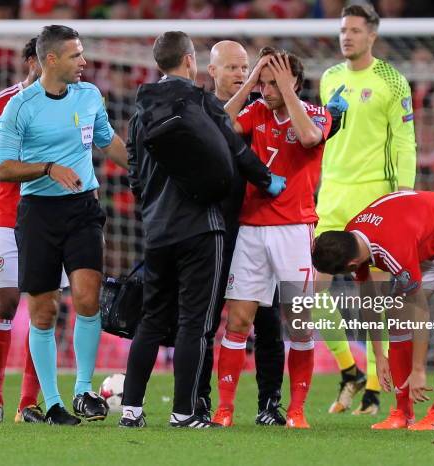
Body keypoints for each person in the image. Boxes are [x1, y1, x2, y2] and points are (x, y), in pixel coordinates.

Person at [121, 31, 284, 429]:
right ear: (192, 62)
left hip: (157, 229)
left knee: (153, 321)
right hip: (202, 228)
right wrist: (267, 181)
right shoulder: (200, 103)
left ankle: (131, 411)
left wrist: (151, 205)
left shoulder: (140, 108)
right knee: (196, 322)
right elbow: (236, 150)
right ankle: (185, 412)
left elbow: (134, 171)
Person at [0, 25, 128, 425]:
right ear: (51, 60)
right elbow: (2, 167)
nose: (84, 62)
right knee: (44, 311)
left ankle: (83, 390)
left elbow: (108, 141)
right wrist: (48, 168)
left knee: (88, 298)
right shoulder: (21, 106)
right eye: (76, 56)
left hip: (84, 208)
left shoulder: (89, 96)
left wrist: (141, 171)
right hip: (38, 213)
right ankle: (52, 403)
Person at [213, 46, 341, 429]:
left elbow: (307, 138)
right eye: (263, 83)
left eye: (273, 83)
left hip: (294, 230)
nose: (266, 90)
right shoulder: (255, 111)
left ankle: (297, 410)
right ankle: (225, 409)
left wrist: (287, 93)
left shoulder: (317, 113)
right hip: (251, 228)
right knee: (237, 321)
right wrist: (250, 83)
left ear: (295, 83)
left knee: (298, 323)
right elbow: (218, 125)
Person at [312, 190, 434, 430]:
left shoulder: (392, 247)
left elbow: (420, 311)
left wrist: (419, 369)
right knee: (397, 314)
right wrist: (379, 356)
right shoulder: (352, 237)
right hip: (428, 243)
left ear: (350, 265)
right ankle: (401, 412)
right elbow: (370, 299)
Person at [315, 3, 417, 415]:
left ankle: (375, 387)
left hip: (374, 197)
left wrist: (404, 196)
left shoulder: (393, 81)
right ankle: (349, 371)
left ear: (372, 35)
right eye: (343, 29)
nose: (347, 37)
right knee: (311, 292)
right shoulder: (329, 78)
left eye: (355, 30)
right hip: (332, 196)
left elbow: (404, 141)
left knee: (372, 295)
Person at [0, 37, 54, 424]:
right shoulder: (0, 103)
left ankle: (28, 404)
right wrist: (23, 166)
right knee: (4, 302)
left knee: (43, 308)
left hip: (53, 216)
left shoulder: (69, 102)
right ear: (29, 63)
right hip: (10, 216)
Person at [199, 39, 286, 426]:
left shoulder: (263, 111)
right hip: (213, 228)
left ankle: (269, 403)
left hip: (258, 227)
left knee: (267, 319)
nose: (240, 75)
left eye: (245, 67)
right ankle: (199, 399)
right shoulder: (198, 108)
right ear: (212, 71)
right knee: (205, 318)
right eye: (232, 68)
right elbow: (217, 128)